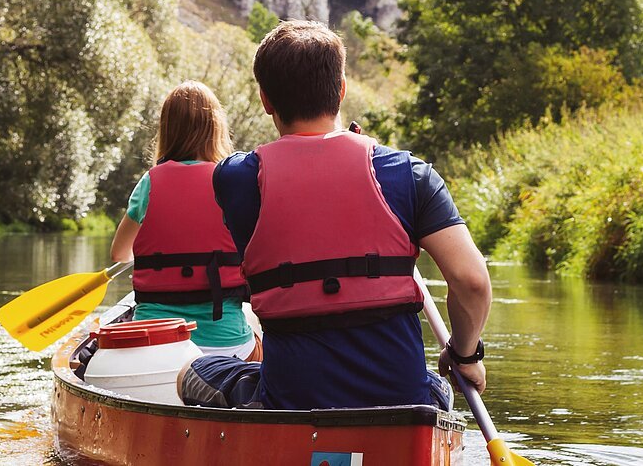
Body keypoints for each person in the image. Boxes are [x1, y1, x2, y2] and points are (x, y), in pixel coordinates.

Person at [179, 20, 493, 410]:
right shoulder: (409, 174)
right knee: (436, 387)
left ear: (265, 100)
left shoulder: (234, 179)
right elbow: (472, 281)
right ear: (341, 90)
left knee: (191, 372)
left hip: (291, 398)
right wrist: (464, 355)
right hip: (400, 399)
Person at [110, 81, 260, 360]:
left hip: (153, 340)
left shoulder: (150, 183)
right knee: (259, 344)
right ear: (216, 128)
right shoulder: (232, 182)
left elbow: (120, 253)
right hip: (225, 343)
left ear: (167, 131)